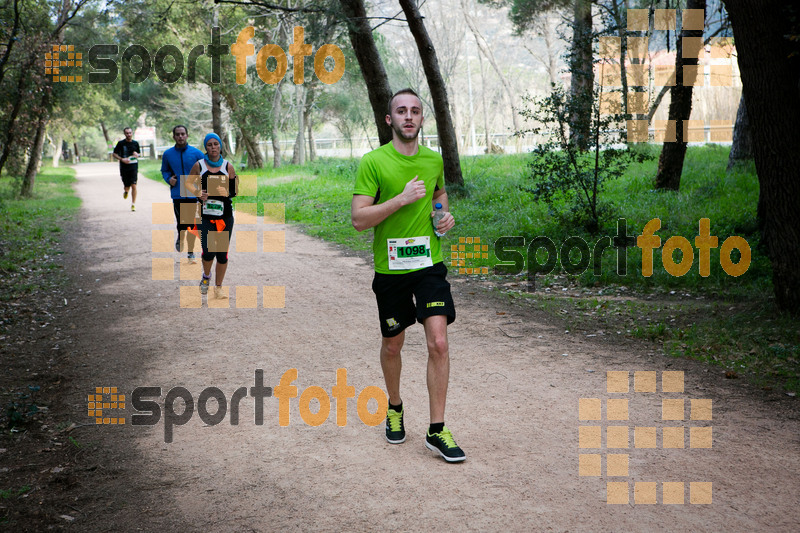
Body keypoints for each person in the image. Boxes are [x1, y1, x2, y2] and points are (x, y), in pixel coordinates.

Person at [351, 88, 464, 463]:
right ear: (389, 120)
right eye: (401, 111)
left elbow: (439, 195)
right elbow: (358, 220)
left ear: (422, 119)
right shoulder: (373, 162)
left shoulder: (433, 160)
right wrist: (400, 199)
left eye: (415, 111)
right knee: (393, 345)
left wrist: (441, 218)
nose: (409, 117)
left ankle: (437, 430)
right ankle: (395, 406)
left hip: (429, 265)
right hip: (391, 269)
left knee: (439, 343)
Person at [186, 133, 237, 299]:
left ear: (220, 146)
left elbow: (235, 191)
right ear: (205, 148)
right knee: (208, 251)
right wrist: (198, 193)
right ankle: (206, 277)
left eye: (216, 144)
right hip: (205, 215)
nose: (213, 147)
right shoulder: (199, 166)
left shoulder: (228, 166)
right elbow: (188, 183)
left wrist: (227, 191)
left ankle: (219, 288)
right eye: (210, 145)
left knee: (222, 253)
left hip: (225, 216)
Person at [161, 125, 204, 263]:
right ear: (174, 136)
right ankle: (180, 236)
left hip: (192, 193)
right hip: (178, 193)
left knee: (191, 223)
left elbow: (205, 171)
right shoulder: (168, 154)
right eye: (178, 134)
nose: (180, 136)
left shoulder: (196, 153)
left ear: (187, 135)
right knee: (181, 223)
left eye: (183, 134)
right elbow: (164, 170)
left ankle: (191, 253)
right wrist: (169, 179)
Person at [112, 127, 140, 211]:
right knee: (127, 186)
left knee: (134, 185)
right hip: (124, 167)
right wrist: (121, 159)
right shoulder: (120, 143)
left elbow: (139, 154)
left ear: (132, 133)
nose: (128, 134)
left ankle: (133, 204)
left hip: (133, 166)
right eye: (127, 133)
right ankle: (126, 191)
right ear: (125, 134)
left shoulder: (135, 143)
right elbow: (114, 154)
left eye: (130, 133)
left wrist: (137, 155)